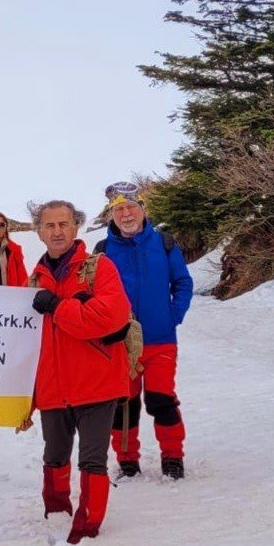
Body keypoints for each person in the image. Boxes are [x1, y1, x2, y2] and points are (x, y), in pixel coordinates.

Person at [19, 199, 130, 544]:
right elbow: (22, 342)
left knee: (92, 459)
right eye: (49, 225)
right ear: (38, 232)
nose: (57, 232)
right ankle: (56, 511)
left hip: (96, 384)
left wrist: (57, 307)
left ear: (76, 227)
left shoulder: (99, 269)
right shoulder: (34, 279)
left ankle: (88, 525)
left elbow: (107, 318)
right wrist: (26, 398)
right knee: (54, 454)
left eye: (63, 224)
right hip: (53, 386)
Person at [93, 181, 193, 480]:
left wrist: (172, 315)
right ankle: (127, 461)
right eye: (118, 209)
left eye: (131, 207)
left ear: (143, 209)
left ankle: (173, 457)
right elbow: (93, 291)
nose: (125, 214)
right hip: (121, 342)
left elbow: (183, 283)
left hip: (161, 340)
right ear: (112, 215)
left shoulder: (164, 243)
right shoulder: (103, 250)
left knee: (161, 399)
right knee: (124, 404)